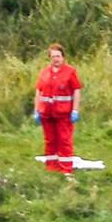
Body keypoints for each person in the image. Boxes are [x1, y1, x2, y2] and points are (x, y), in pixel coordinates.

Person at [32, 43, 82, 174]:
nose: (56, 59)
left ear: (63, 57)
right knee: (50, 141)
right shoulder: (44, 73)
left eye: (58, 56)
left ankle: (66, 169)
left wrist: (75, 110)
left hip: (63, 114)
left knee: (64, 141)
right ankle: (52, 167)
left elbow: (76, 91)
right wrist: (36, 110)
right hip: (46, 114)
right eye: (53, 56)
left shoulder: (70, 72)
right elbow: (39, 91)